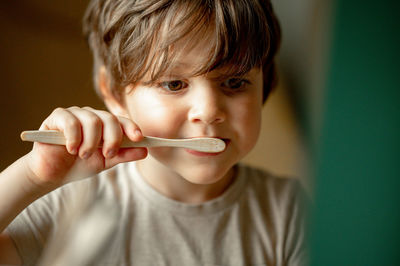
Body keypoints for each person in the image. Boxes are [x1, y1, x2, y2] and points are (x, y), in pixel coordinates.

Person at [0, 0, 306, 265]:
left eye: (236, 82)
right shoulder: (70, 204)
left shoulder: (288, 213)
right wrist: (32, 176)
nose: (209, 110)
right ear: (114, 93)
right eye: (174, 84)